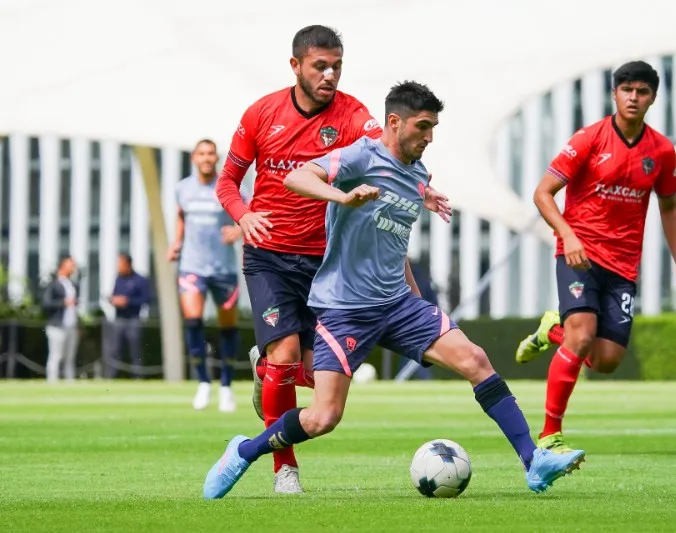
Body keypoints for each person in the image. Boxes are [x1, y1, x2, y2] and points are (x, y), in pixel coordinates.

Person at [203, 81, 585, 500]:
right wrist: (342, 197)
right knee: (323, 417)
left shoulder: (419, 174)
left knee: (475, 358)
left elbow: (393, 243)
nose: (429, 137)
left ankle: (534, 461)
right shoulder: (361, 155)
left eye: (434, 128)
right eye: (423, 127)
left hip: (399, 305)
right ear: (394, 122)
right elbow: (298, 176)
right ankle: (243, 451)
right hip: (345, 309)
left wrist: (417, 295)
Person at [214, 24, 386, 493]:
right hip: (268, 255)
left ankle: (265, 370)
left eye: (337, 66)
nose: (330, 75)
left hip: (326, 263)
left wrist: (423, 187)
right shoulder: (261, 113)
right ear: (296, 66)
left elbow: (385, 155)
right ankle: (283, 469)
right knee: (287, 357)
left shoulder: (354, 115)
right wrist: (244, 215)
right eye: (320, 66)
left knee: (314, 375)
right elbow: (227, 181)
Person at [514, 61, 676, 452]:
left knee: (608, 359)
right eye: (626, 89)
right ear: (615, 94)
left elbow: (669, 207)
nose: (633, 97)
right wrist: (567, 235)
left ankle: (551, 329)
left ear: (653, 98)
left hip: (624, 265)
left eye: (642, 91)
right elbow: (543, 193)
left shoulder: (661, 151)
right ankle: (549, 435)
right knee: (581, 339)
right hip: (579, 255)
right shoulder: (589, 139)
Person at [170, 139, 245, 413]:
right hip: (192, 266)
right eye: (201, 153)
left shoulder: (229, 186)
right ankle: (203, 381)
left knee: (228, 327)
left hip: (223, 268)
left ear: (217, 157)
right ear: (194, 158)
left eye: (211, 153)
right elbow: (181, 216)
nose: (206, 157)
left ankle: (226, 386)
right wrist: (176, 242)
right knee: (192, 320)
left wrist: (239, 231)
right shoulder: (183, 188)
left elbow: (248, 215)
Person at [107, 253, 151, 379]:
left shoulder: (140, 280)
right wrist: (114, 300)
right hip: (119, 319)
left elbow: (146, 299)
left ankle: (137, 377)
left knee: (135, 350)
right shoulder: (119, 279)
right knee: (115, 350)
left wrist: (128, 301)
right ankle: (112, 377)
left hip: (133, 319)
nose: (119, 267)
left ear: (128, 264)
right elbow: (114, 295)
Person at [41, 256, 80, 383]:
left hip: (71, 324)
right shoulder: (53, 284)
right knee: (56, 355)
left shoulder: (73, 284)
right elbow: (46, 303)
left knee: (70, 357)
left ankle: (70, 380)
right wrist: (63, 303)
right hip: (57, 324)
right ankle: (52, 381)